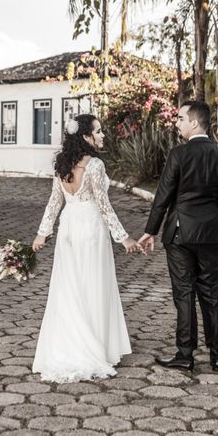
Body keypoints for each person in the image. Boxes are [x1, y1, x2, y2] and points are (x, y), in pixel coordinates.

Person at [31, 114, 139, 383]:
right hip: (90, 227)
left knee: (70, 285)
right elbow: (104, 205)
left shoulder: (63, 164)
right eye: (98, 131)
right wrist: (123, 237)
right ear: (86, 137)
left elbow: (54, 203)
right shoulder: (95, 165)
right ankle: (94, 346)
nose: (102, 135)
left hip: (69, 227)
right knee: (93, 283)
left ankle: (69, 342)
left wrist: (42, 233)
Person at [138, 100, 218, 372]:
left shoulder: (178, 154)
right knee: (211, 294)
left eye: (180, 118)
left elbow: (163, 197)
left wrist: (150, 231)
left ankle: (185, 354)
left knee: (184, 294)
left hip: (180, 235)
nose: (177, 122)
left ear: (194, 122)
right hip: (211, 235)